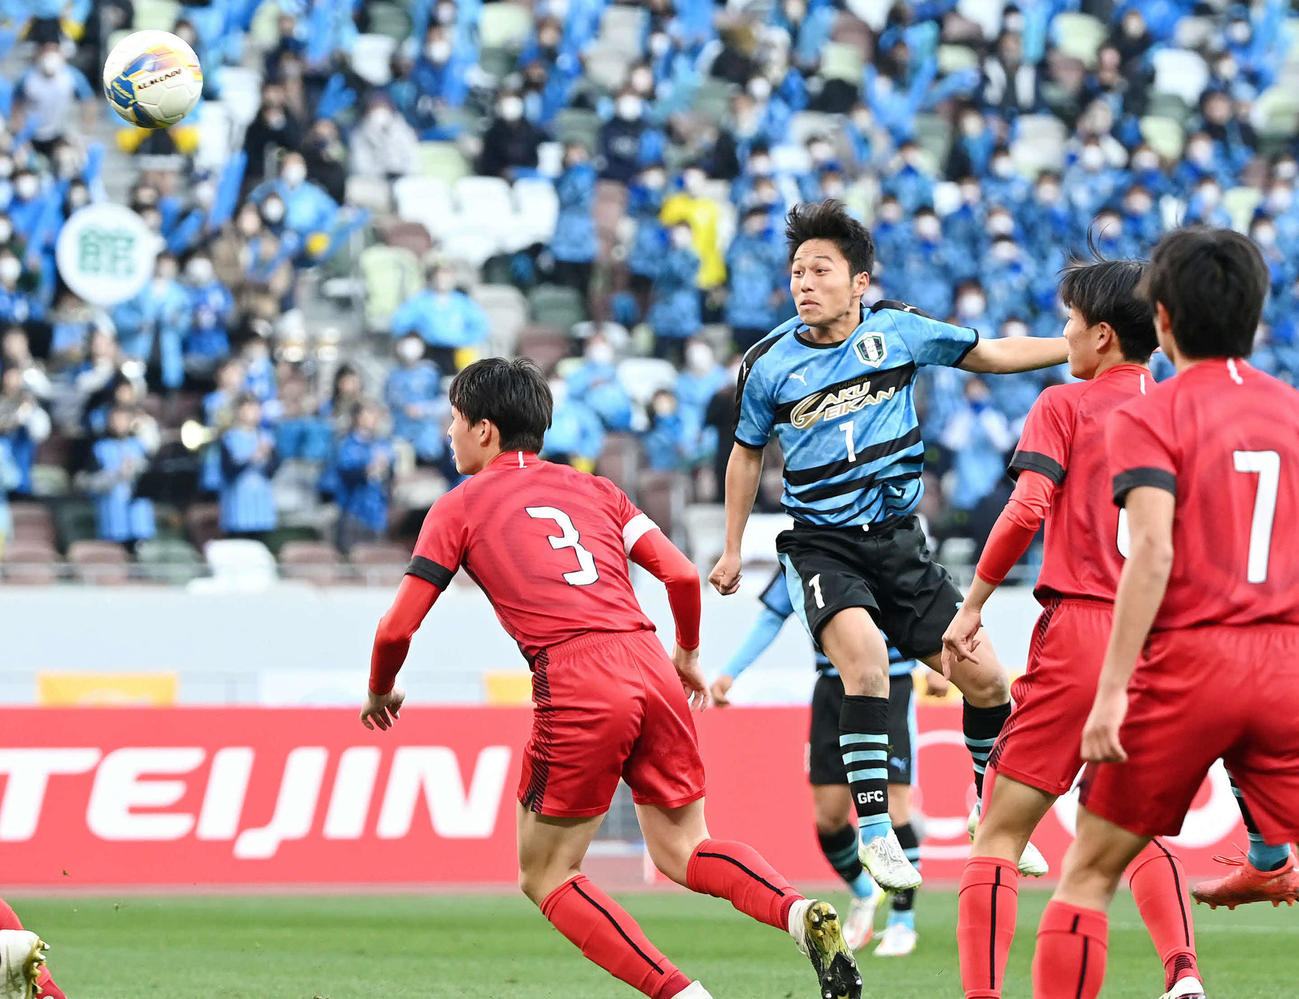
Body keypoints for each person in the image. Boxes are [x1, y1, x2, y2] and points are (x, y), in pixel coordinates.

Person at [361, 358, 863, 999]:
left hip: (574, 674)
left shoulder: (457, 507)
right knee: (685, 849)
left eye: (454, 421)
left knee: (546, 873)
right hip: (648, 659)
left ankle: (682, 995)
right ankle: (797, 911)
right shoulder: (595, 489)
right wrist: (685, 654)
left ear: (485, 430)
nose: (448, 434)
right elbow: (682, 574)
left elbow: (394, 630)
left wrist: (380, 689)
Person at [709, 200, 1066, 890]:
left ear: (859, 281)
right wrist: (730, 547)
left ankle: (985, 811)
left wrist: (1075, 350)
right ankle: (876, 834)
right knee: (866, 664)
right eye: (795, 272)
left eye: (819, 270)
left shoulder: (897, 332)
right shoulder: (767, 364)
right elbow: (744, 455)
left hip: (900, 544)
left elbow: (987, 353)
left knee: (990, 680)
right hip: (821, 545)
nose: (803, 283)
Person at [1029, 227, 1299, 999]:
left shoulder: (1148, 414)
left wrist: (1111, 690)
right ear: (1253, 316)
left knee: (1086, 872)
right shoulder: (1287, 410)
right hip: (1283, 662)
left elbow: (1149, 554)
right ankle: (1268, 860)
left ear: (1164, 319)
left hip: (1192, 662)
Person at [942, 259, 1203, 999]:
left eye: (1064, 322)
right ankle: (1182, 975)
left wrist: (971, 607)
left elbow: (1026, 508)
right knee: (1126, 821)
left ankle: (982, 996)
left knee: (997, 831)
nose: (1059, 337)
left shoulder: (1066, 404)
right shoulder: (1185, 408)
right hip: (1167, 640)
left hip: (1086, 626)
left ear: (1099, 334)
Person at [710, 566, 948, 957]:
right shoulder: (800, 555)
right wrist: (729, 674)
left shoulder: (881, 542)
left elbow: (920, 601)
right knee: (830, 820)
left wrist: (935, 661)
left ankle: (903, 921)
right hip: (831, 689)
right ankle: (864, 892)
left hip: (892, 684)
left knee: (895, 808)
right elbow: (772, 617)